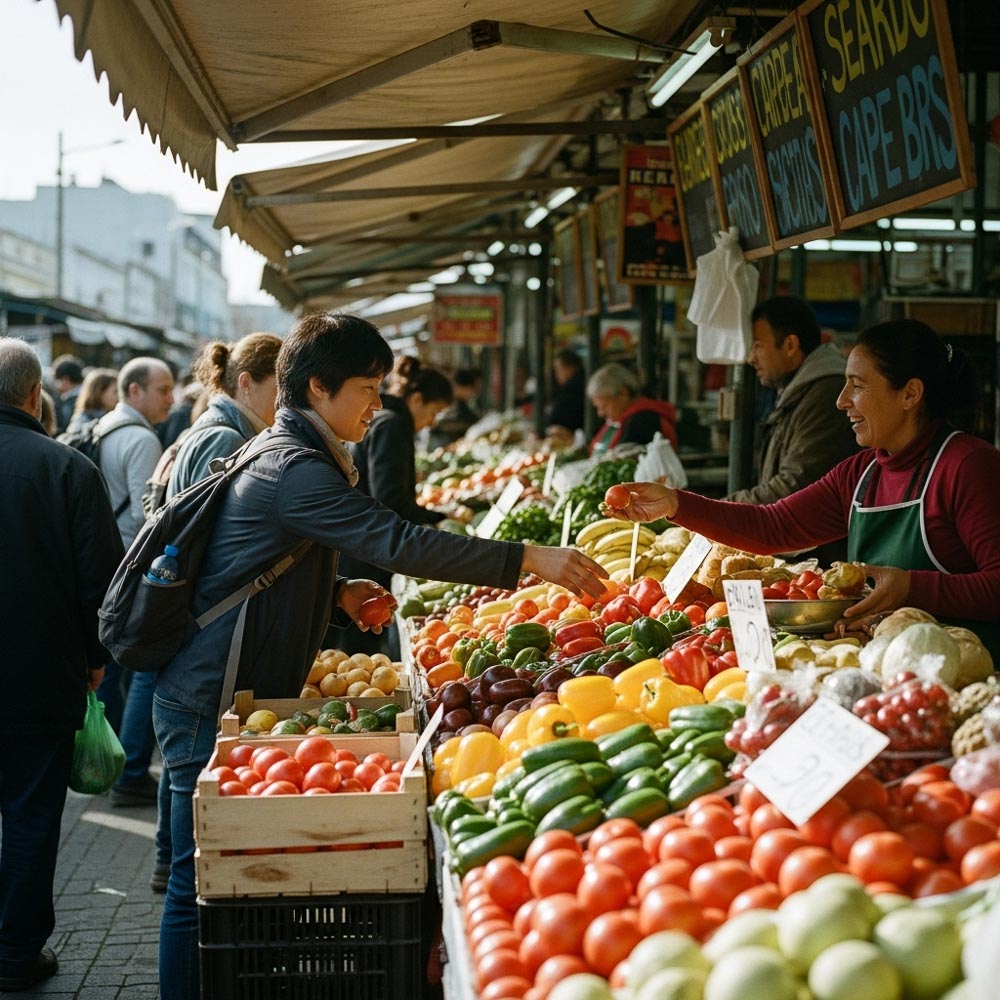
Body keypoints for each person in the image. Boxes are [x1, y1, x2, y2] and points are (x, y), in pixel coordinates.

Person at [152, 313, 606, 1000]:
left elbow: (251, 559)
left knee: (228, 880)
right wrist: (526, 558)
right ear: (317, 388)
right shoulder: (292, 467)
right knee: (199, 882)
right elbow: (394, 538)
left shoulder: (295, 454)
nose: (377, 403)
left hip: (227, 687)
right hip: (206, 693)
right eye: (367, 387)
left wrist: (335, 593)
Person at [605, 319, 1000, 656]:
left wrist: (913, 587)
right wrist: (675, 504)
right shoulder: (861, 473)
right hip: (890, 671)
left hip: (971, 680)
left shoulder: (967, 466)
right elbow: (772, 527)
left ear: (910, 394)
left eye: (857, 386)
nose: (841, 401)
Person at [0, 339, 123, 992]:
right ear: (33, 395)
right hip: (38, 678)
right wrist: (95, 659)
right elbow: (100, 583)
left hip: (37, 677)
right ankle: (17, 953)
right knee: (27, 816)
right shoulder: (66, 470)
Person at [143, 333, 282, 894]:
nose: (286, 403)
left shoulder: (223, 431)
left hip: (190, 647)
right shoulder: (221, 438)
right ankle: (166, 854)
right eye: (280, 389)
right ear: (245, 383)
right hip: (199, 648)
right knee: (190, 868)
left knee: (181, 792)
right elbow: (204, 550)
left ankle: (164, 852)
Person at [94, 357, 174, 808]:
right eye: (162, 390)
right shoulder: (142, 438)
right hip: (130, 568)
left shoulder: (104, 427)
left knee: (112, 673)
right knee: (143, 670)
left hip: (105, 566)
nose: (170, 398)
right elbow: (151, 519)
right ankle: (129, 769)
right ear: (135, 391)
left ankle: (113, 760)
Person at [339, 356, 454, 656]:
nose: (431, 422)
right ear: (417, 399)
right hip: (367, 552)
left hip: (360, 546)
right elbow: (389, 499)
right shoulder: (392, 425)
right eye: (434, 412)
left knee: (358, 645)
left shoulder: (387, 420)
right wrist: (436, 519)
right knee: (360, 647)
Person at [729, 297, 856, 505]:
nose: (751, 358)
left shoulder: (826, 396)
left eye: (758, 346)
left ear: (790, 345)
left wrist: (720, 512)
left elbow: (794, 487)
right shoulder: (798, 392)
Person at [587, 362, 677, 455]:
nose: (600, 413)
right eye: (598, 407)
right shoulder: (618, 419)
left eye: (605, 406)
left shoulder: (643, 419)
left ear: (623, 393)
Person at [426, 367, 481, 448]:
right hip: (439, 443)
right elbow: (440, 424)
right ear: (463, 387)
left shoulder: (459, 402)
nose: (472, 394)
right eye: (471, 390)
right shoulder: (448, 400)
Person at [64, 367, 118, 436]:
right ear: (99, 392)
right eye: (115, 392)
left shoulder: (114, 416)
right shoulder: (82, 421)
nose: (119, 396)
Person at [545, 349, 586, 435]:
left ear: (570, 368)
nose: (556, 375)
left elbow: (556, 414)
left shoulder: (573, 386)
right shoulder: (575, 384)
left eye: (558, 370)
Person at [50, 353, 84, 434]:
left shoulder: (71, 402)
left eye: (57, 379)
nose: (55, 384)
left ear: (66, 379)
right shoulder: (85, 395)